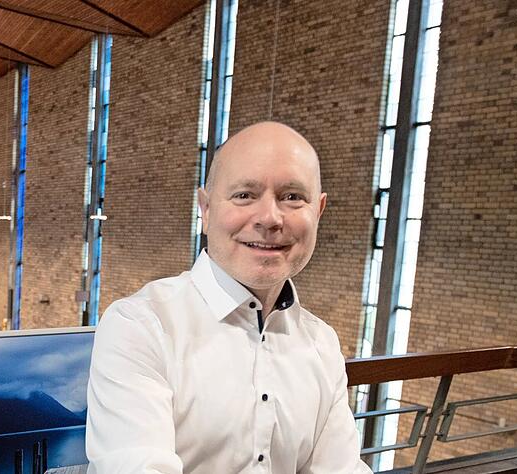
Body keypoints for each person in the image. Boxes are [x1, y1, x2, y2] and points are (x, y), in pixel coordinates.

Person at [86, 121, 372, 473]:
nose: (269, 218)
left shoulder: (322, 343)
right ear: (205, 210)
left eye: (292, 197)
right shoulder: (142, 326)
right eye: (244, 195)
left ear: (319, 211)